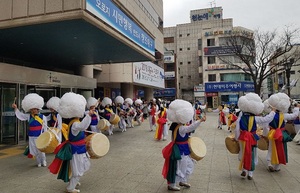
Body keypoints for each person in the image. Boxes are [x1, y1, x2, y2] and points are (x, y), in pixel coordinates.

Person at [48, 92, 93, 193]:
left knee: (82, 166)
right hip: (76, 150)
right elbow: (83, 126)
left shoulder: (74, 122)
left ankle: (74, 181)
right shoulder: (75, 124)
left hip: (79, 149)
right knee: (79, 169)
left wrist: (88, 114)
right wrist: (89, 116)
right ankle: (70, 188)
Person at [162, 99, 206, 191]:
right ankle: (172, 184)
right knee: (179, 167)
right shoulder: (181, 128)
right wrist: (200, 121)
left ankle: (183, 180)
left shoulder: (175, 126)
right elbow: (190, 127)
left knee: (187, 165)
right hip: (181, 150)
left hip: (180, 149)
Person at [235, 93, 277, 180]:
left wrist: (237, 138)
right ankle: (250, 173)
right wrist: (273, 111)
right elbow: (266, 119)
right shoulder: (255, 118)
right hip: (253, 137)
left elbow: (237, 130)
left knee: (243, 153)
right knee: (253, 154)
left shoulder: (240, 118)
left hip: (243, 138)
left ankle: (244, 169)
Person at [12, 93, 48, 167]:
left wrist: (45, 137)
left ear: (38, 109)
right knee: (35, 149)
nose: (33, 110)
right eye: (32, 109)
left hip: (40, 135)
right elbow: (20, 115)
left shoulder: (42, 117)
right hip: (32, 136)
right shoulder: (28, 116)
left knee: (41, 149)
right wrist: (15, 108)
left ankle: (43, 160)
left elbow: (45, 128)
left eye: (35, 109)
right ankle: (38, 162)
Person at [266, 93, 299, 172]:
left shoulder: (271, 114)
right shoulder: (284, 115)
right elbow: (294, 115)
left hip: (272, 133)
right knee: (281, 148)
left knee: (271, 148)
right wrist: (297, 108)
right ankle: (277, 166)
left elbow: (265, 123)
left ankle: (269, 163)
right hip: (280, 133)